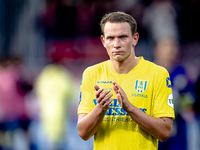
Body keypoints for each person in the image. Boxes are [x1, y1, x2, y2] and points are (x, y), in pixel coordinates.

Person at [77, 11, 175, 150]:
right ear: (103, 41)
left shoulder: (157, 74)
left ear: (135, 39)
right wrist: (100, 108)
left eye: (122, 37)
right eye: (110, 38)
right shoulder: (92, 74)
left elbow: (165, 132)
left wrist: (130, 108)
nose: (116, 44)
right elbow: (83, 132)